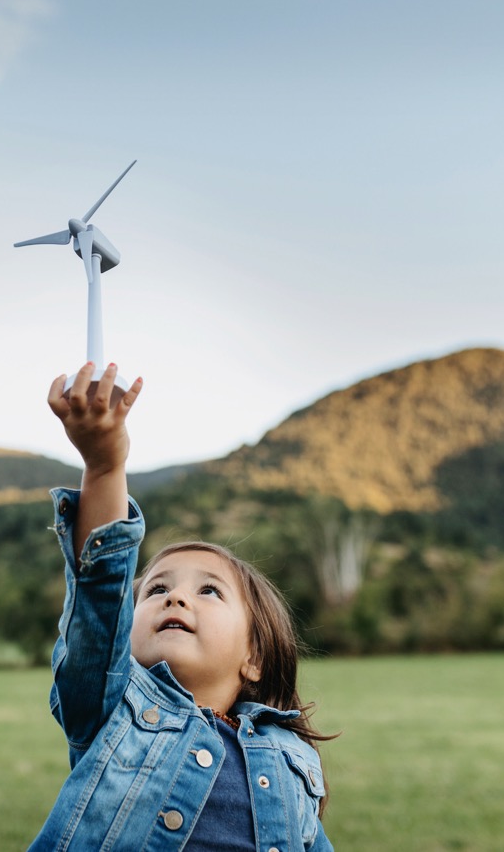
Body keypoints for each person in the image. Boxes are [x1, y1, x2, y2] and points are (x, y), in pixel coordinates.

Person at [27, 362, 335, 851]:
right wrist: (105, 467)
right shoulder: (112, 711)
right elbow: (100, 598)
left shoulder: (289, 756)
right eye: (154, 590)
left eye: (209, 590)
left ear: (253, 657)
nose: (176, 596)